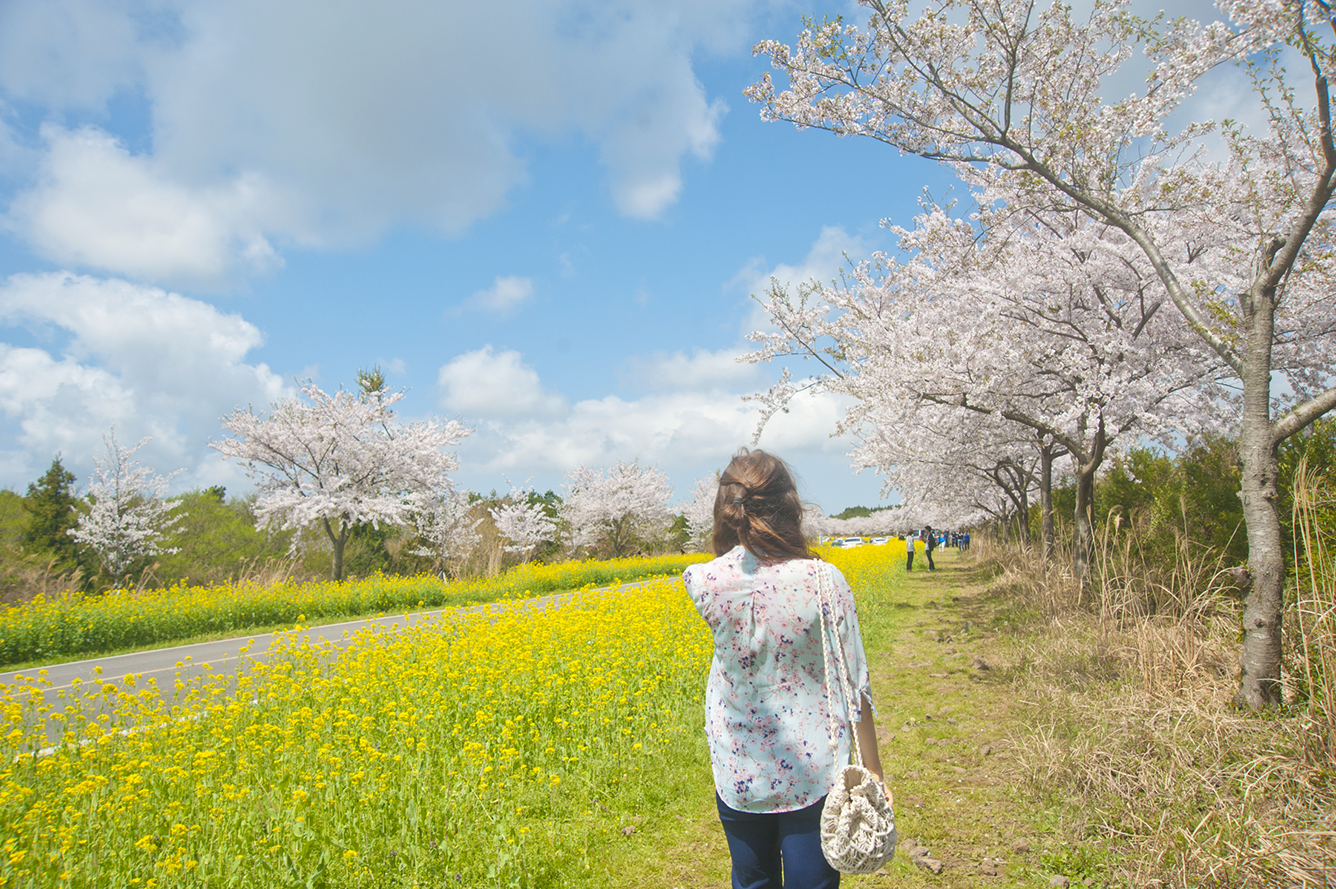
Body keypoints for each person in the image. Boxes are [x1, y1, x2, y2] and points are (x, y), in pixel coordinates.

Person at [684, 448, 882, 889]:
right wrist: (874, 770)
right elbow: (856, 684)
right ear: (789, 507)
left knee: (751, 882)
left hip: (738, 764)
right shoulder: (822, 579)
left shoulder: (703, 578)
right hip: (814, 766)